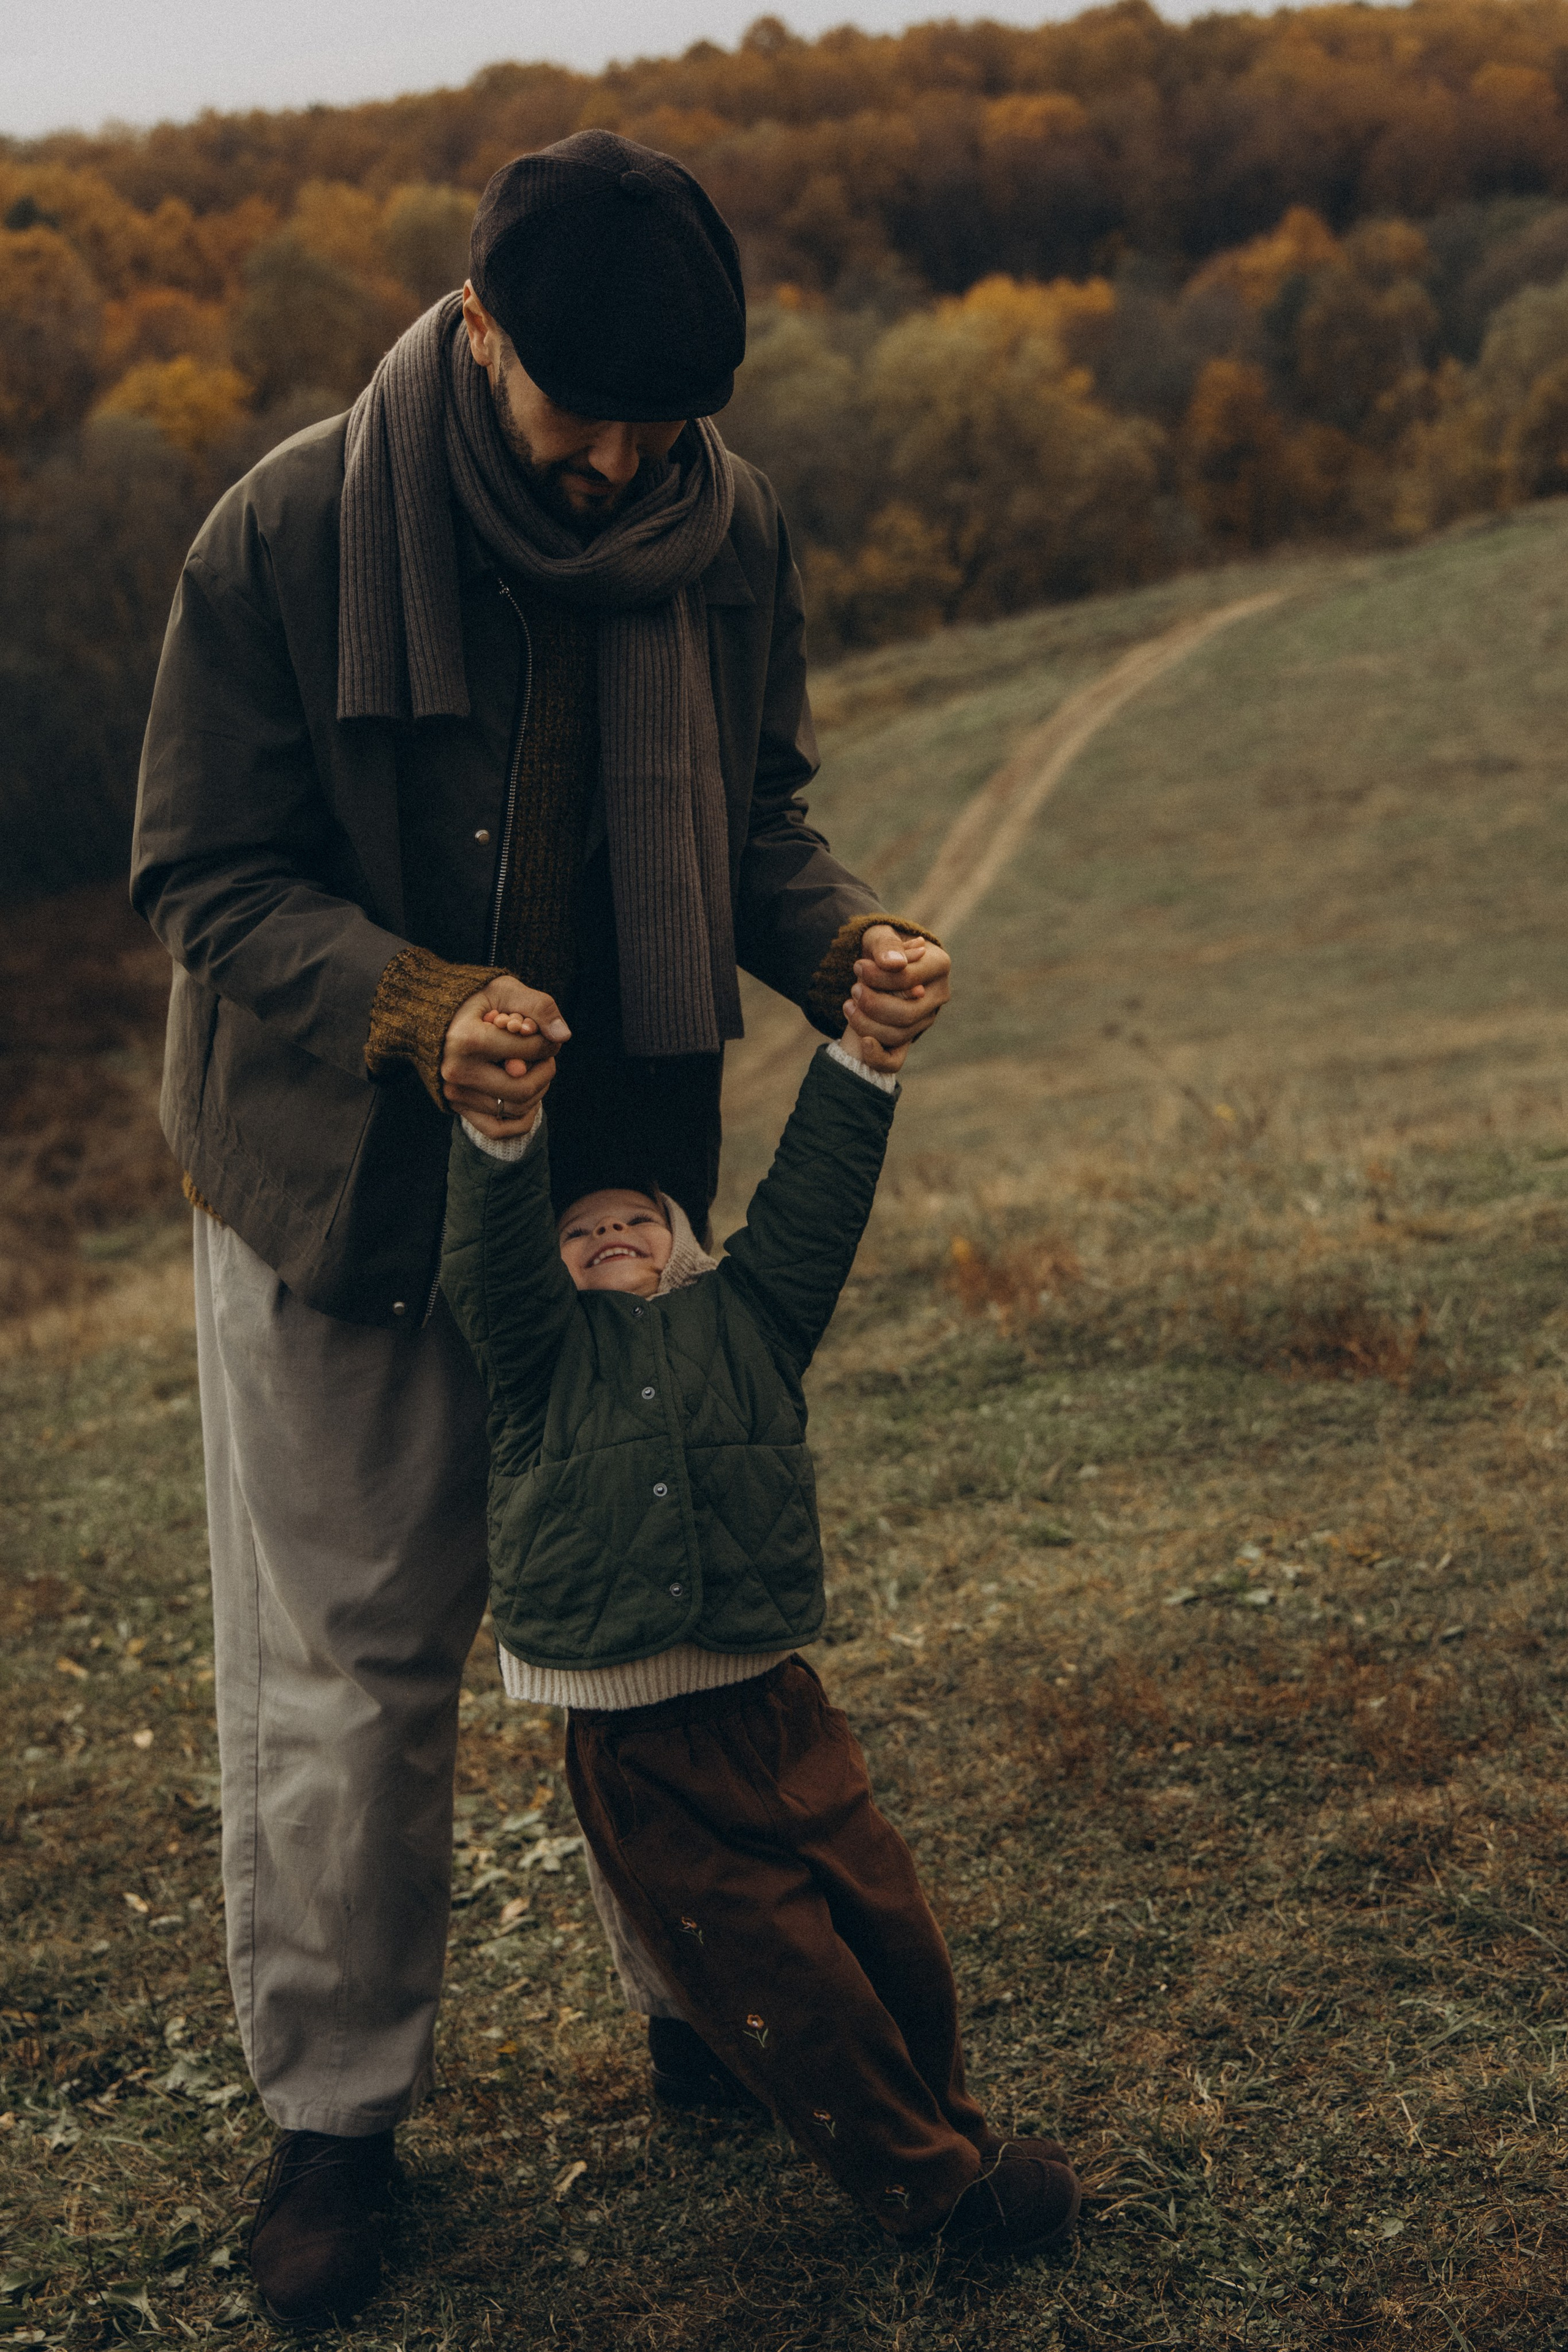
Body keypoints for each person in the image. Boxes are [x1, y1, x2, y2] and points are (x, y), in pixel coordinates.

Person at [130, 129, 950, 2327]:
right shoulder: (288, 532)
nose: (612, 464)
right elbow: (202, 878)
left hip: (615, 1200)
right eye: (576, 410)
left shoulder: (729, 521)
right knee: (352, 1674)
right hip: (351, 1196)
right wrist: (415, 1010)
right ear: (476, 329)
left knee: (656, 1632)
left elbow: (757, 807)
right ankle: (334, 2122)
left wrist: (843, 942)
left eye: (659, 427)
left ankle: (703, 1998)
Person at [441, 1008, 1080, 2263]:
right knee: (786, 1973)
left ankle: (953, 2128)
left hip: (778, 1706)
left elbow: (817, 1202)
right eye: (578, 1229)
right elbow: (487, 1257)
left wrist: (865, 1065)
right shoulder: (532, 1358)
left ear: (685, 1245)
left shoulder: (752, 1317)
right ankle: (926, 2199)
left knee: (886, 1924)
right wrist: (500, 1133)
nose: (609, 1233)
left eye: (636, 1220)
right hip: (639, 1748)